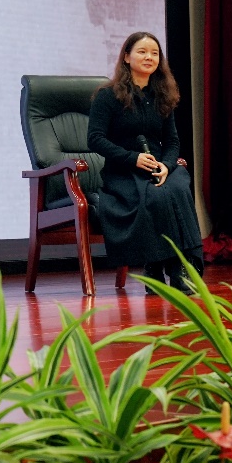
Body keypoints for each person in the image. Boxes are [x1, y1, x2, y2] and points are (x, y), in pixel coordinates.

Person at [87, 31, 203, 292]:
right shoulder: (107, 96)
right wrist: (133, 158)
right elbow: (94, 139)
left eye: (154, 53)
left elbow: (172, 141)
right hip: (123, 170)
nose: (149, 57)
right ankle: (156, 266)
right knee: (156, 196)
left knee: (178, 185)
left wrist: (167, 166)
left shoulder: (163, 95)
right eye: (142, 52)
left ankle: (180, 268)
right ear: (127, 57)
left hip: (159, 166)